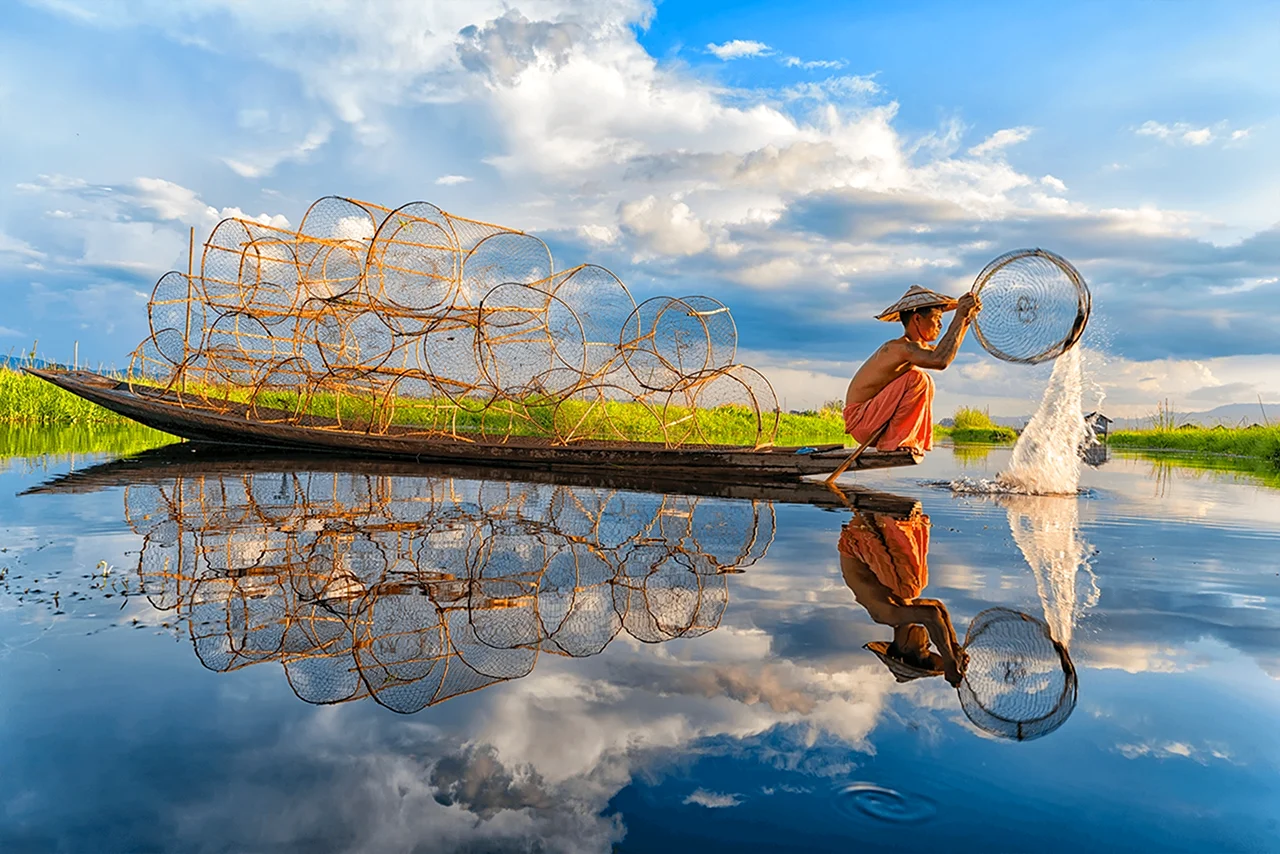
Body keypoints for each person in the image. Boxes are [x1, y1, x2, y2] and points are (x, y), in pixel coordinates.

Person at [842, 286, 982, 455]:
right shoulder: (900, 348)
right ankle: (897, 440)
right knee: (917, 379)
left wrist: (965, 320)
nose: (940, 324)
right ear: (917, 319)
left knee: (924, 380)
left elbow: (945, 352)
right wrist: (960, 315)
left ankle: (899, 439)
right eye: (937, 318)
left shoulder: (916, 350)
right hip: (861, 421)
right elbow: (940, 360)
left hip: (873, 420)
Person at [837, 506, 967, 686]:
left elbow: (931, 616)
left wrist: (949, 661)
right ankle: (895, 523)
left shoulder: (886, 616)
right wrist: (954, 647)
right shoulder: (901, 608)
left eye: (924, 648)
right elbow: (938, 607)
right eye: (930, 647)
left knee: (911, 589)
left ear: (905, 646)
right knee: (911, 591)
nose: (929, 643)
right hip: (867, 537)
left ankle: (896, 524)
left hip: (858, 540)